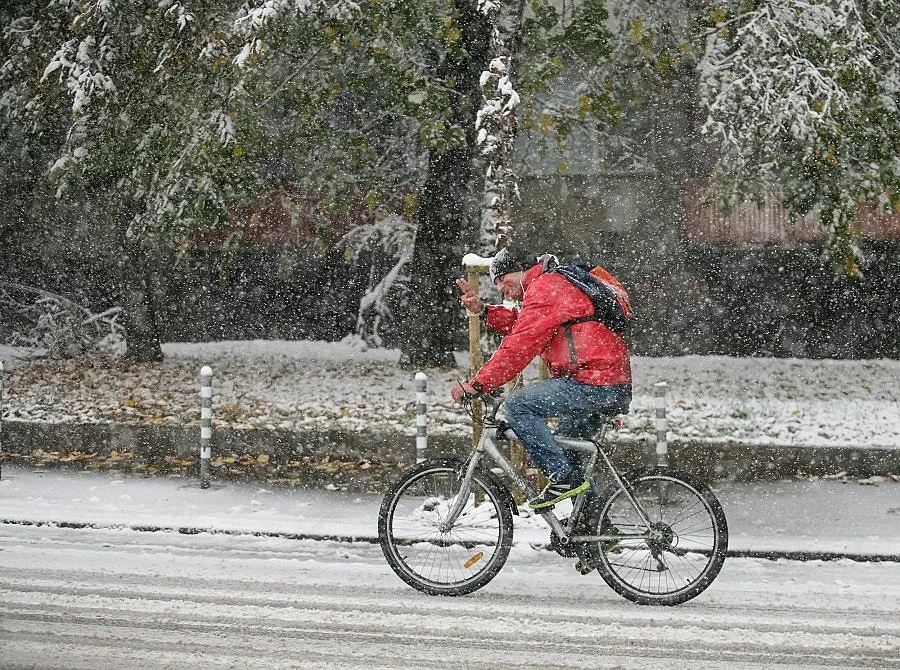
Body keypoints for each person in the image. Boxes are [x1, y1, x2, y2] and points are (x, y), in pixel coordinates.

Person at [451, 246, 632, 509]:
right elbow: (526, 325)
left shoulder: (546, 287)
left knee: (518, 406)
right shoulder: (550, 287)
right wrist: (484, 311)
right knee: (569, 455)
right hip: (606, 381)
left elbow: (519, 345)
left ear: (519, 270)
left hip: (594, 381)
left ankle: (561, 480)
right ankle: (593, 527)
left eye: (502, 279)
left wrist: (478, 384)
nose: (501, 288)